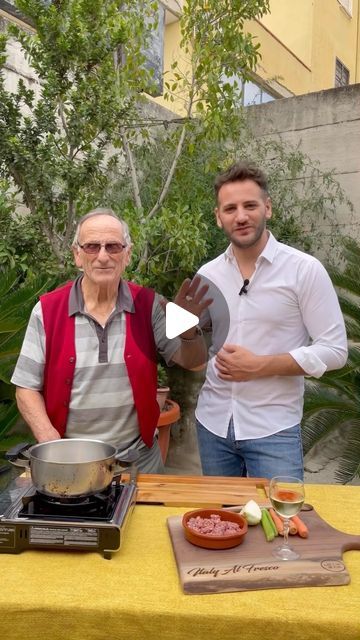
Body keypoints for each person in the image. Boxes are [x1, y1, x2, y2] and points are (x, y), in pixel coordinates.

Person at [11, 208, 210, 473]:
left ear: (127, 255)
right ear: (77, 255)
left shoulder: (150, 306)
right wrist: (50, 441)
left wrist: (189, 330)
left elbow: (194, 364)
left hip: (139, 462)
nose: (103, 256)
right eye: (92, 247)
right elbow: (26, 386)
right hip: (71, 464)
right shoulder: (48, 311)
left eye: (113, 247)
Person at [195, 162, 348, 479]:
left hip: (273, 428)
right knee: (220, 523)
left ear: (268, 208)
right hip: (212, 424)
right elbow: (194, 344)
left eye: (250, 205)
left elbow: (335, 350)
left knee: (284, 525)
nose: (240, 216)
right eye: (230, 208)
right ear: (218, 217)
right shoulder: (207, 275)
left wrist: (259, 365)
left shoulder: (304, 270)